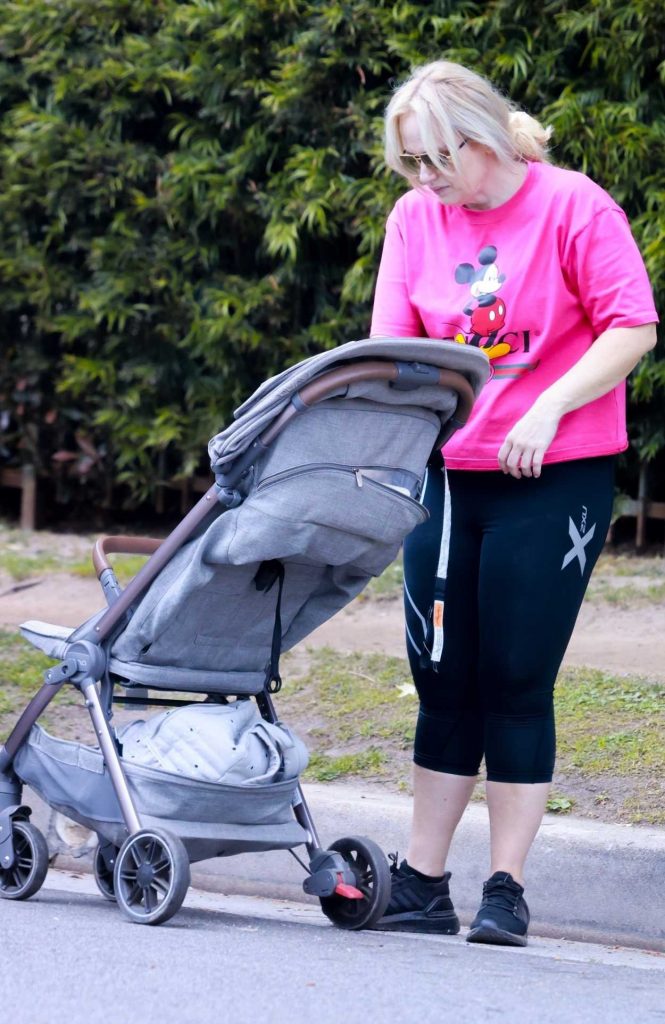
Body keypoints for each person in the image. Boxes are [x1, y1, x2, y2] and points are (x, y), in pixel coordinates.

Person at [369, 60, 658, 946]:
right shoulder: (415, 218)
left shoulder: (573, 205)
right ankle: (420, 883)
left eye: (436, 160)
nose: (425, 180)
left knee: (516, 681)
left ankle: (506, 887)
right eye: (410, 163)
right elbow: (392, 347)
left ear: (482, 138)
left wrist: (545, 402)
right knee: (442, 679)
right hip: (448, 483)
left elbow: (633, 326)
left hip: (553, 476)